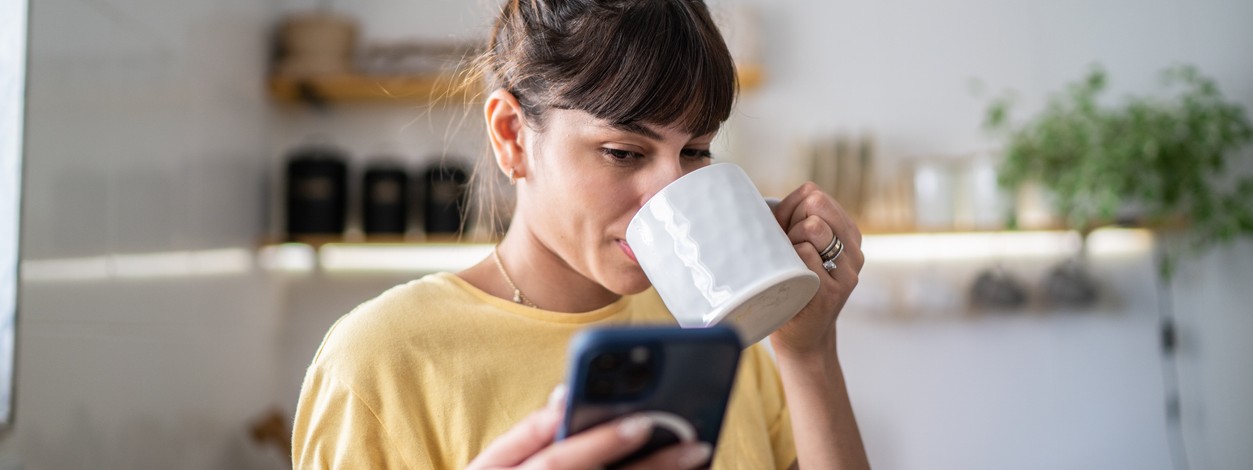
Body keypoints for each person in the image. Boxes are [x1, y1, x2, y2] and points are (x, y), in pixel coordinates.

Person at [291, 0, 870, 468]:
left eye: (696, 150)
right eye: (622, 152)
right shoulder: (380, 362)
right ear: (512, 137)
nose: (672, 191)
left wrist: (810, 355)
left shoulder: (714, 328)